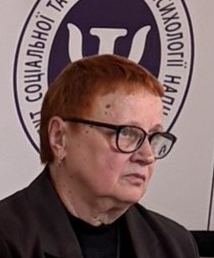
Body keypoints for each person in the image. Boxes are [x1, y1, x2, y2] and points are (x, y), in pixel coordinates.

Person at [0, 54, 198, 258]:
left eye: (153, 137)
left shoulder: (175, 246)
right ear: (59, 138)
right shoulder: (7, 238)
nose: (147, 156)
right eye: (127, 133)